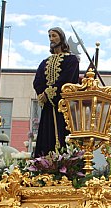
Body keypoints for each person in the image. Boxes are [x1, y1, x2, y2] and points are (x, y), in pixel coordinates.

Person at [32, 27, 80, 157]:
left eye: (54, 35)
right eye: (49, 36)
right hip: (48, 107)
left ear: (61, 38)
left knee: (62, 135)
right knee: (46, 136)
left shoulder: (71, 60)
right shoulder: (44, 62)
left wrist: (49, 93)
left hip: (63, 107)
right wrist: (42, 94)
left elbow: (67, 79)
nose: (51, 39)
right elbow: (37, 81)